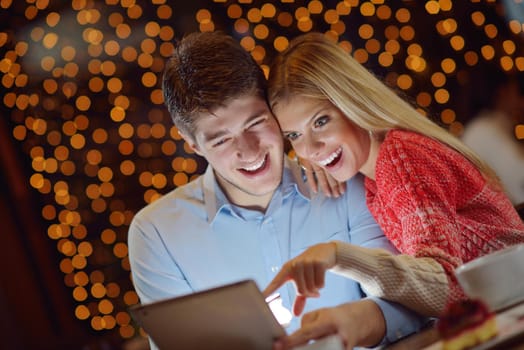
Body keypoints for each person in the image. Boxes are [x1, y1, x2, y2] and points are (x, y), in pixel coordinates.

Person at [127, 31, 428, 350]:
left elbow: (410, 299)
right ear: (192, 145)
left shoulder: (342, 176)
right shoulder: (157, 234)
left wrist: (356, 324)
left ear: (272, 108)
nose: (249, 150)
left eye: (255, 123)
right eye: (221, 140)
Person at [263, 32, 524, 349]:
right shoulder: (377, 168)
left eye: (321, 121)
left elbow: (448, 284)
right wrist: (316, 157)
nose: (311, 148)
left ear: (353, 101)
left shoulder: (400, 160)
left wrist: (337, 255)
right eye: (294, 135)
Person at [462, 70, 524, 206]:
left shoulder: (488, 127)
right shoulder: (484, 130)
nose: (520, 99)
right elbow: (520, 179)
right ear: (502, 92)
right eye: (516, 91)